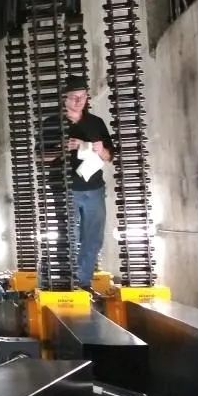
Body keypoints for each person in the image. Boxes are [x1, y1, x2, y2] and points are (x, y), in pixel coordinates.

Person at [61, 75, 114, 289]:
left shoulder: (96, 123)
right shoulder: (54, 124)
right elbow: (39, 156)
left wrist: (102, 150)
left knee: (93, 238)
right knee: (68, 239)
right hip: (67, 190)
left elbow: (109, 156)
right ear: (64, 98)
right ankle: (64, 280)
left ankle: (82, 282)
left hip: (95, 189)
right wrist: (62, 148)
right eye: (73, 97)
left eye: (82, 96)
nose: (78, 101)